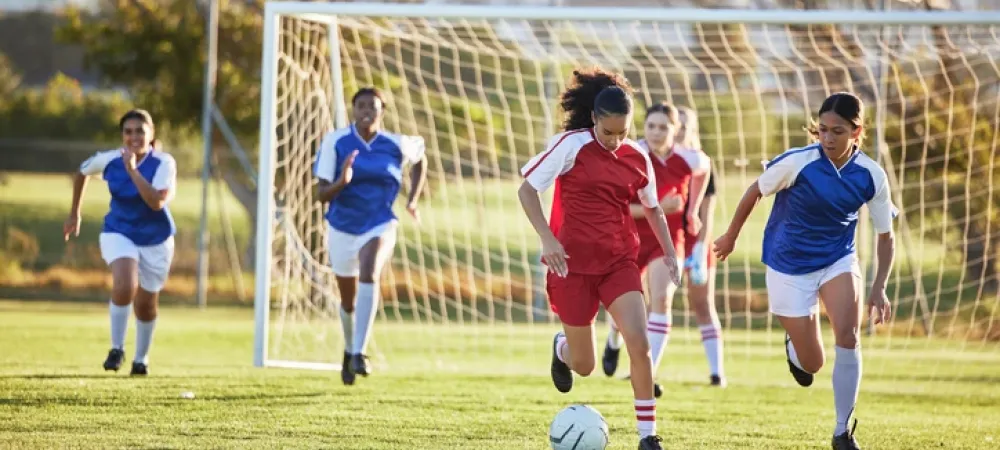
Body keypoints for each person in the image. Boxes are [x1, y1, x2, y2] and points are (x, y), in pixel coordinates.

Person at [713, 92, 896, 450]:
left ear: (857, 133)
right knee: (812, 363)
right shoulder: (799, 162)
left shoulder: (872, 176)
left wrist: (880, 287)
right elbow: (754, 191)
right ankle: (795, 346)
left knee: (849, 335)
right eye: (823, 130)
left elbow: (886, 237)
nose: (828, 138)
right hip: (787, 265)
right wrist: (730, 236)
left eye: (837, 131)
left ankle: (842, 431)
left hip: (838, 260)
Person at [518, 67, 681, 450]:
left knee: (639, 343)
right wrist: (547, 239)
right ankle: (562, 348)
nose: (615, 141)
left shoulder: (637, 156)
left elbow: (653, 209)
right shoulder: (569, 145)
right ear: (593, 118)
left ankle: (648, 437)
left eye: (623, 133)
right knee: (585, 365)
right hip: (570, 266)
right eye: (608, 132)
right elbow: (527, 191)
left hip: (618, 263)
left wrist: (671, 253)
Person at [313, 87, 427, 386]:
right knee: (347, 301)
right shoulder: (335, 141)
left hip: (380, 223)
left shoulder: (394, 143)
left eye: (372, 106)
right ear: (353, 109)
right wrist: (343, 181)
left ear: (382, 111)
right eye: (361, 105)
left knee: (370, 271)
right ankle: (349, 350)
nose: (367, 110)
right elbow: (321, 194)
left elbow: (420, 158)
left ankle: (360, 353)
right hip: (341, 226)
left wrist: (412, 199)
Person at [599, 102, 710, 398]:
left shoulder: (690, 158)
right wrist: (660, 207)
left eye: (664, 127)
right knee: (625, 307)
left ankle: (649, 371)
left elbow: (705, 170)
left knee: (661, 299)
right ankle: (613, 338)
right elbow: (619, 208)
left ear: (676, 130)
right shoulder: (630, 155)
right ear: (643, 128)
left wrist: (692, 211)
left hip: (668, 239)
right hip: (630, 237)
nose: (657, 132)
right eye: (652, 126)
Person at [64, 109, 177, 377]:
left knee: (146, 305)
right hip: (119, 232)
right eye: (128, 131)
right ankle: (116, 348)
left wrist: (133, 171)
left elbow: (155, 202)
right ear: (122, 135)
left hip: (156, 239)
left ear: (151, 135)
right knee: (125, 284)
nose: (134, 136)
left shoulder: (164, 163)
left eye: (140, 131)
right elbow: (82, 173)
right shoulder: (110, 160)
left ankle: (141, 360)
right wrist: (74, 213)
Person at [677, 105, 727, 387]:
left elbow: (706, 215)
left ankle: (717, 372)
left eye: (685, 125)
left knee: (702, 304)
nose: (680, 130)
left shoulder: (703, 164)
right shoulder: (660, 162)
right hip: (667, 243)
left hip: (696, 244)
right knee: (652, 303)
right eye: (677, 124)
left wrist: (698, 250)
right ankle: (645, 364)